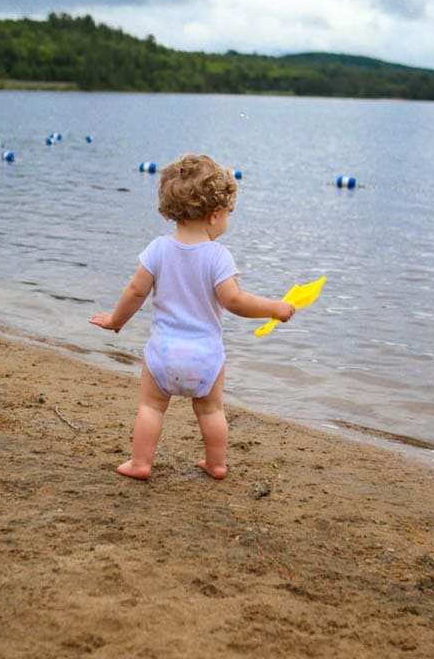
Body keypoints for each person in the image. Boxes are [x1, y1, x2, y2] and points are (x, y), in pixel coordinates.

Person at [89, 154, 295, 480]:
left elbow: (135, 291)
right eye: (228, 214)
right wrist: (274, 307)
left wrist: (116, 320)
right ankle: (216, 464)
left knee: (151, 408)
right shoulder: (218, 257)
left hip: (163, 355)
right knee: (211, 410)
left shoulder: (158, 249)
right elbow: (235, 301)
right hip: (205, 358)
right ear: (214, 216)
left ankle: (141, 463)